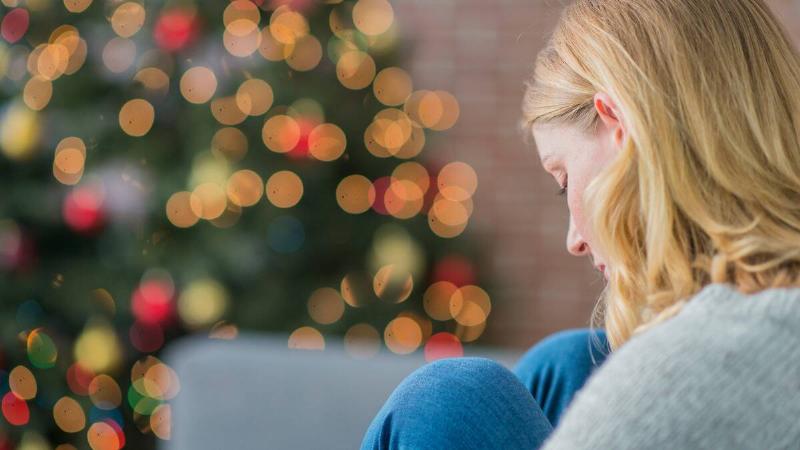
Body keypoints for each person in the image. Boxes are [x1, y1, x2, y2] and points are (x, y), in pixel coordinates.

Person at [361, 0, 800, 448]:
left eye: (563, 180)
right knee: (570, 364)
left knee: (449, 398)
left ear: (620, 128)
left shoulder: (683, 373)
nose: (574, 240)